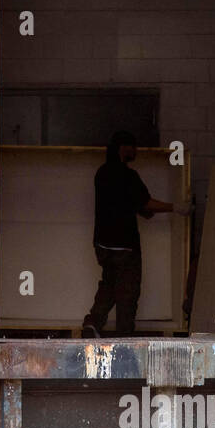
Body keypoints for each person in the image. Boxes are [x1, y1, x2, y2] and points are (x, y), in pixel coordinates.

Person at [81, 132, 189, 337]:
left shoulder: (102, 173)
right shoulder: (128, 175)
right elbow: (144, 202)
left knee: (109, 285)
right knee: (127, 294)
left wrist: (143, 210)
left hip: (103, 245)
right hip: (125, 246)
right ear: (123, 148)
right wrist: (176, 207)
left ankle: (92, 324)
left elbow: (124, 202)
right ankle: (124, 339)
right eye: (133, 147)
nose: (136, 151)